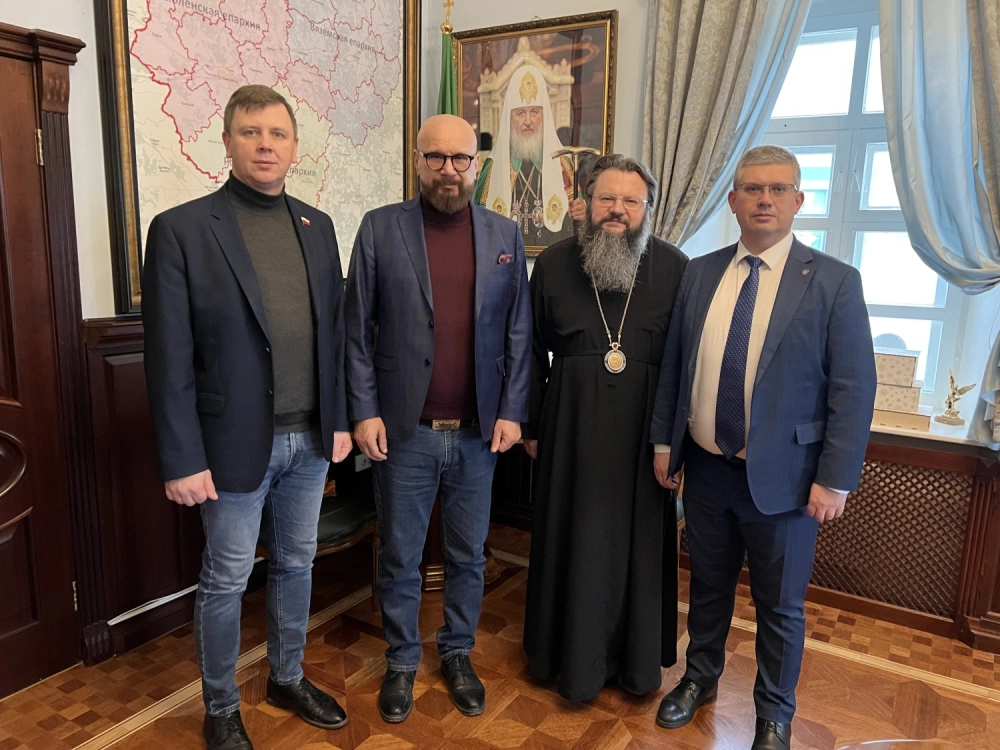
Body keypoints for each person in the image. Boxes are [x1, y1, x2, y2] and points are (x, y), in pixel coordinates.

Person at [143, 85, 353, 750]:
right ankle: (221, 706)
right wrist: (182, 458)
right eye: (251, 132)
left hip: (309, 440)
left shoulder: (318, 226)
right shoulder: (181, 229)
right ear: (228, 142)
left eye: (277, 133)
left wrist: (340, 421)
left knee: (297, 564)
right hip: (230, 445)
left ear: (294, 146)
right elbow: (168, 358)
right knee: (227, 578)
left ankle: (287, 678)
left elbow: (334, 337)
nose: (265, 144)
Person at [650, 145, 876, 749]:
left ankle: (774, 714)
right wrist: (665, 442)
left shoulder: (834, 281)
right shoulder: (700, 273)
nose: (765, 200)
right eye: (753, 188)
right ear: (733, 200)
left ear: (799, 200)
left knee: (780, 606)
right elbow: (677, 365)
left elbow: (853, 388)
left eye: (778, 189)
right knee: (708, 587)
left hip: (787, 480)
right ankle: (698, 679)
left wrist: (835, 478)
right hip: (706, 470)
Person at [344, 114, 531, 724]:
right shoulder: (380, 228)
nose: (449, 170)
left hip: (478, 433)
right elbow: (357, 333)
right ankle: (401, 659)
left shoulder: (504, 233)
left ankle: (457, 652)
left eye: (460, 159)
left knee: (469, 554)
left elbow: (519, 332)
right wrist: (364, 411)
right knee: (400, 555)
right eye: (436, 158)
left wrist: (513, 411)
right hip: (404, 433)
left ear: (477, 164)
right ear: (418, 161)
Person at [522, 154, 688, 702]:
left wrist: (673, 442)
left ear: (648, 208)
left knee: (635, 547)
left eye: (630, 200)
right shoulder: (553, 264)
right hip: (569, 429)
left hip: (645, 438)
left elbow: (685, 364)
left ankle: (635, 665)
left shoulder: (675, 268)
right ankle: (565, 657)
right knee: (572, 540)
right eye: (607, 198)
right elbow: (529, 350)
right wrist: (532, 424)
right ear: (587, 203)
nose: (618, 210)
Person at [474, 64, 575, 247]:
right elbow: (477, 220)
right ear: (510, 118)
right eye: (520, 113)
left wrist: (582, 211)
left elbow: (578, 220)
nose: (528, 121)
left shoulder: (562, 164)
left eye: (534, 112)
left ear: (544, 115)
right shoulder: (493, 167)